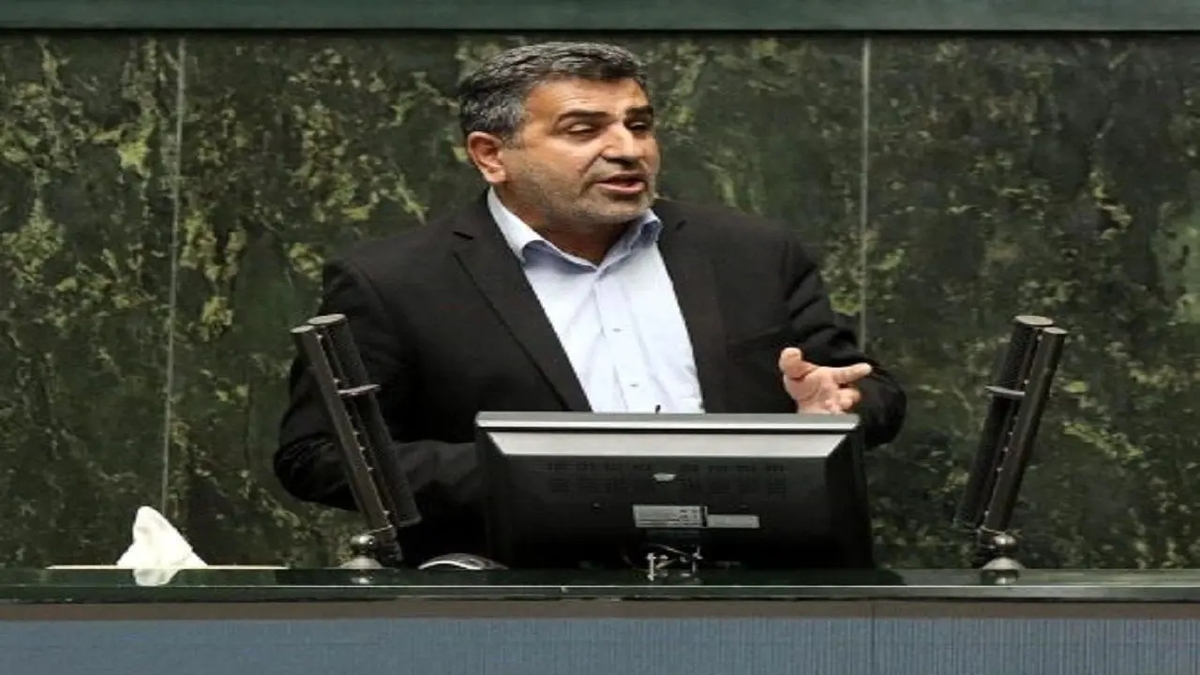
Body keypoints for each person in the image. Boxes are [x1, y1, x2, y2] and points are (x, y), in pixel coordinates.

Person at [275, 41, 906, 564]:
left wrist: (836, 407)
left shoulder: (750, 252)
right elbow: (318, 455)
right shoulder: (393, 281)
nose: (628, 149)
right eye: (584, 130)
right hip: (523, 604)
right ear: (491, 155)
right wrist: (539, 471)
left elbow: (866, 388)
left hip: (758, 590)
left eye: (639, 125)